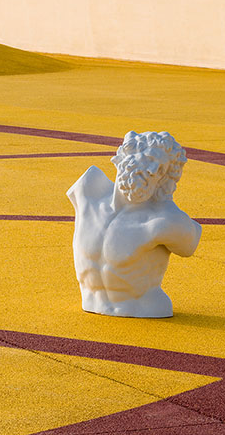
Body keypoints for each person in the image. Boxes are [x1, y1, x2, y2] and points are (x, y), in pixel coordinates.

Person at [67, 131, 201, 318]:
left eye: (161, 170)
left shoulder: (163, 221)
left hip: (148, 312)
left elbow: (190, 244)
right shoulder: (86, 192)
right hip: (90, 303)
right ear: (127, 155)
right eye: (149, 158)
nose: (153, 170)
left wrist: (165, 202)